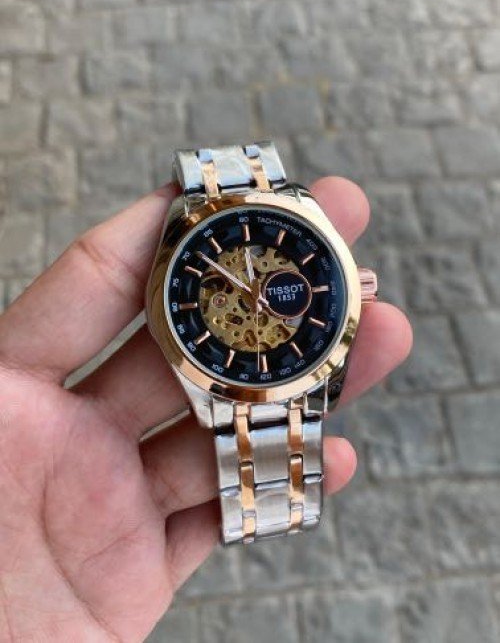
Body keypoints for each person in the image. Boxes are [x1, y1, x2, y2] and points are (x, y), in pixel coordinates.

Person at [0, 176, 412, 641]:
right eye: (244, 292)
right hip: (224, 375)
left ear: (359, 287)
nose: (256, 300)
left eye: (263, 293)